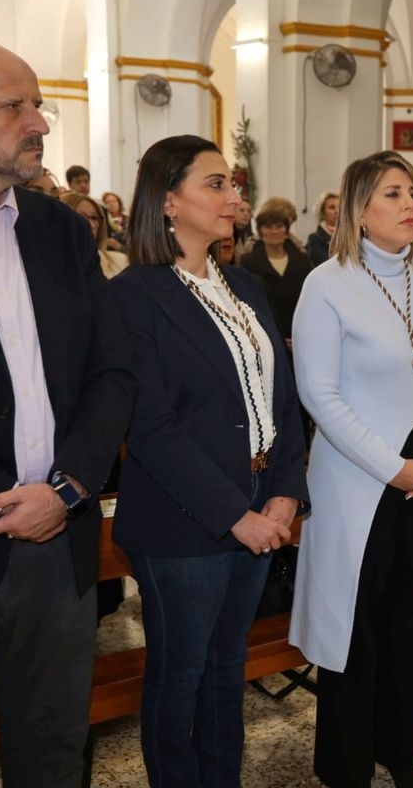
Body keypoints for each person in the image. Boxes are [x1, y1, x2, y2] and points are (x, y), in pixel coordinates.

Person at [0, 35, 135, 787]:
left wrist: (67, 488)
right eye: (14, 106)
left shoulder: (60, 233)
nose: (38, 122)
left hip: (58, 548)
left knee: (53, 754)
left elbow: (112, 373)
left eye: (37, 103)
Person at [108, 134, 309, 786]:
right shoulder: (136, 295)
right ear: (167, 202)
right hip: (184, 518)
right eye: (216, 184)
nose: (235, 197)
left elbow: (280, 395)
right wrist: (235, 515)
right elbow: (152, 427)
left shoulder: (244, 283)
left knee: (228, 659)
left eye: (234, 184)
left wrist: (284, 491)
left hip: (258, 504)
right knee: (182, 668)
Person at [289, 150, 413, 788]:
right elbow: (319, 393)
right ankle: (345, 768)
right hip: (361, 483)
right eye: (392, 194)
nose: (409, 204)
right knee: (356, 629)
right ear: (359, 210)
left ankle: (402, 756)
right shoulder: (327, 283)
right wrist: (392, 467)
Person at [239, 202, 312, 342]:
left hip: (300, 332)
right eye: (268, 227)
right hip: (265, 334)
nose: (274, 231)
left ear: (286, 231)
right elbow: (249, 304)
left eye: (279, 226)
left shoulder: (303, 260)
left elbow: (310, 300)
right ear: (260, 231)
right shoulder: (248, 262)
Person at [62, 190, 128, 278]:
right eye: (82, 218)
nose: (92, 225)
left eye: (94, 217)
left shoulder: (122, 261)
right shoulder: (49, 268)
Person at [306, 190, 339, 265]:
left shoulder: (351, 235)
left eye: (340, 207)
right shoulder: (315, 239)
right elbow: (323, 264)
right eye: (332, 207)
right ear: (322, 213)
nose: (337, 211)